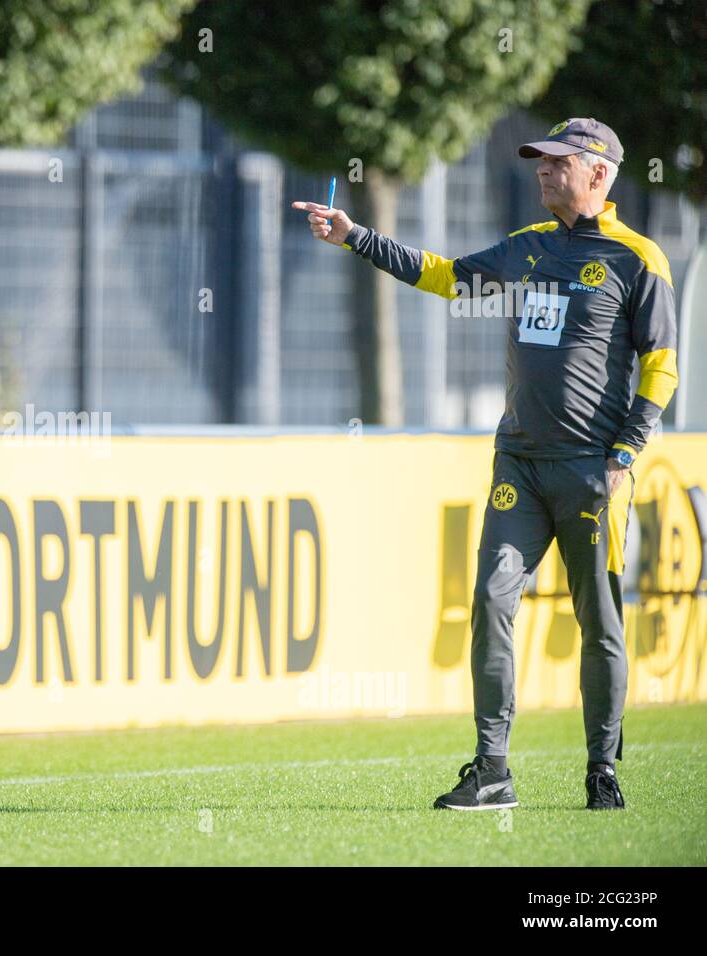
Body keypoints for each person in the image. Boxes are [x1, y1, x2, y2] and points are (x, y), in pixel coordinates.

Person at [292, 118, 679, 810]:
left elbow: (662, 365)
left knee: (599, 620)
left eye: (558, 162)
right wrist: (356, 237)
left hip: (594, 471)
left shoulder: (638, 258)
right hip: (520, 467)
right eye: (540, 160)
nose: (542, 170)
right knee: (493, 599)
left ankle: (602, 772)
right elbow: (445, 278)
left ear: (599, 173)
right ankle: (493, 770)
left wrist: (625, 451)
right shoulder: (526, 250)